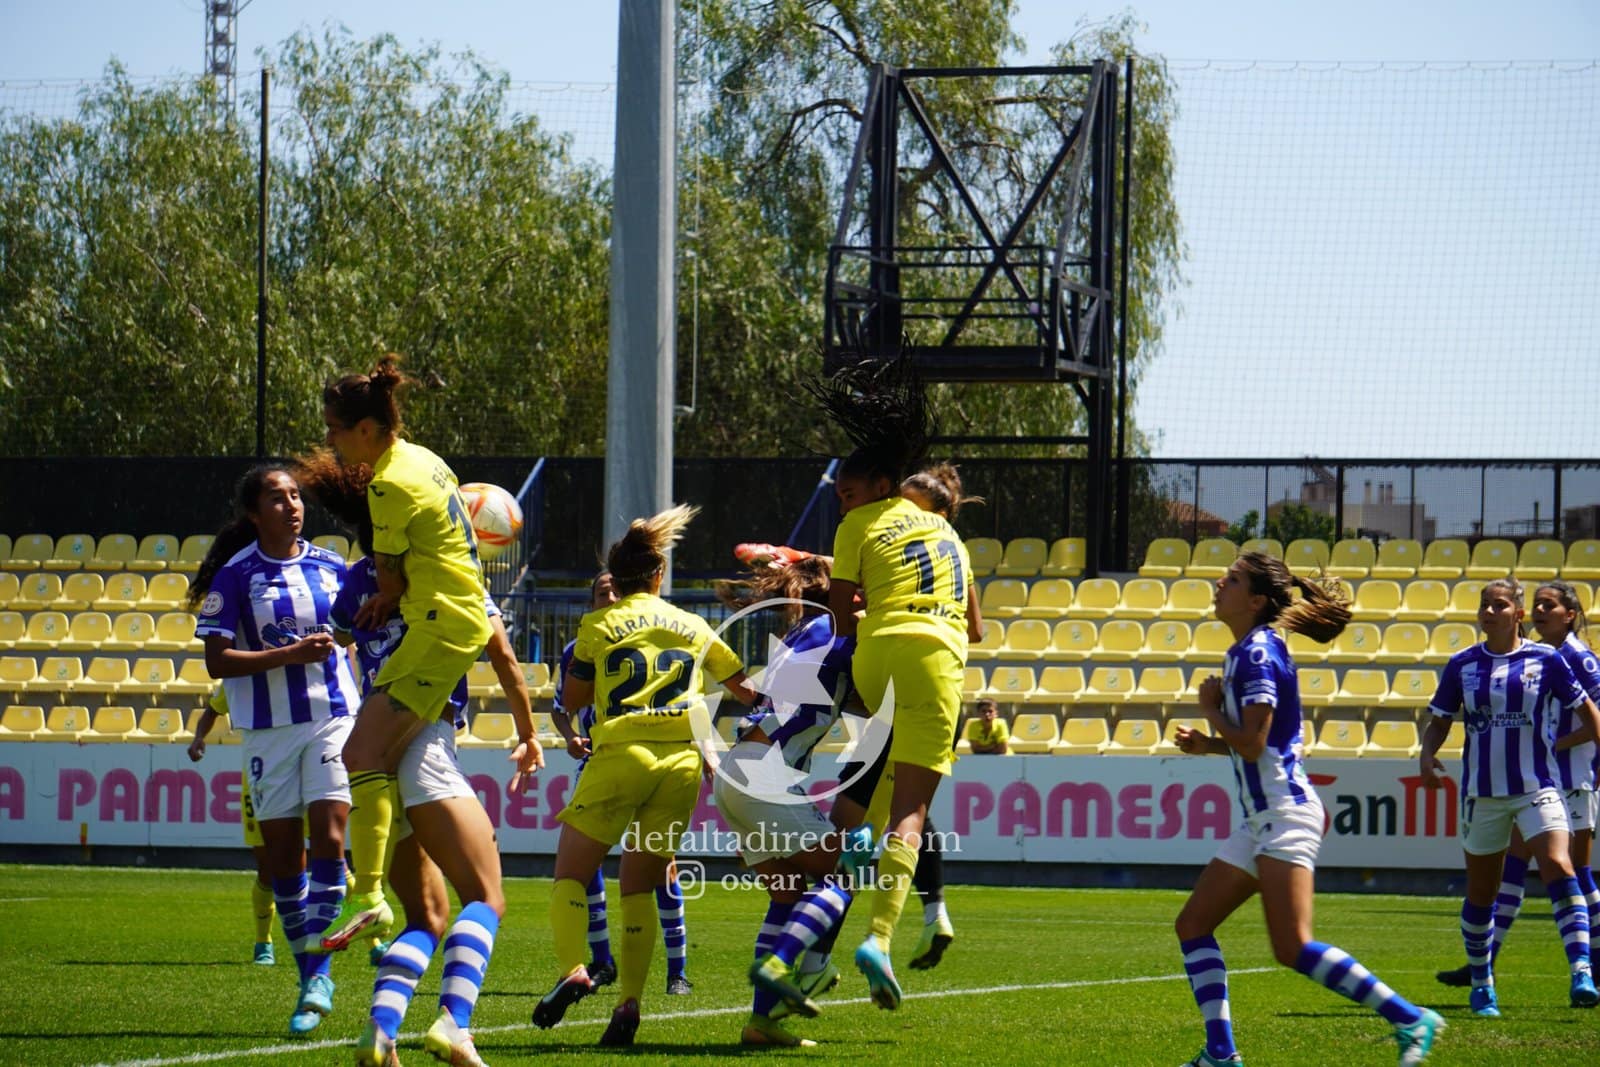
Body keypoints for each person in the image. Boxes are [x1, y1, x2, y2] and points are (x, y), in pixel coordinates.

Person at [291, 448, 543, 1067]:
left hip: (376, 749)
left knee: (426, 916)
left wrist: (383, 592)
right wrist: (530, 733)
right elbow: (506, 662)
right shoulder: (451, 578)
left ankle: (379, 1033)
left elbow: (348, 634)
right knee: (488, 896)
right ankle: (456, 1024)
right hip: (424, 740)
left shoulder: (354, 584)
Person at [1171, 552, 1444, 1067]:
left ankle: (1410, 1018)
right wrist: (1207, 744)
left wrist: (1209, 711)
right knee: (1193, 924)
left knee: (1293, 946)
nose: (1218, 583)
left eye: (1230, 579)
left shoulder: (1254, 653)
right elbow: (1257, 744)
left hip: (1283, 813)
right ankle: (1220, 1054)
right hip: (1264, 817)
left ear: (1255, 600)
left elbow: (1253, 743)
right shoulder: (1252, 648)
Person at [532, 504, 757, 1047]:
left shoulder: (599, 622)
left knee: (570, 874)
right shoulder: (694, 624)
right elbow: (745, 690)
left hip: (621, 756)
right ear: (659, 575)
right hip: (679, 765)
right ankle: (629, 1001)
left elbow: (574, 698)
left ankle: (572, 970)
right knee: (641, 887)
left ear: (620, 573)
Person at [808, 356, 975, 1008]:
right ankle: (882, 933)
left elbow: (841, 610)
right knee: (912, 807)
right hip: (935, 660)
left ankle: (811, 949)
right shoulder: (951, 539)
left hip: (875, 656)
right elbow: (974, 625)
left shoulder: (860, 524)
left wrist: (848, 659)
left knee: (869, 792)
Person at [319, 355, 495, 952]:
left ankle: (370, 895)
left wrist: (383, 601)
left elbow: (389, 582)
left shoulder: (388, 482)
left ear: (365, 429)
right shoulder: (423, 458)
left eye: (334, 430)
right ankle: (380, 894)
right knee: (381, 760)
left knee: (360, 751)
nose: (331, 442)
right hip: (452, 618)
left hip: (440, 627)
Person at [189, 464, 362, 1035]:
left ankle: (318, 974)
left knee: (331, 837)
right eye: (276, 498)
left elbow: (358, 628)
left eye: (295, 495)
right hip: (267, 730)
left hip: (333, 717)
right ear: (253, 514)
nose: (291, 505)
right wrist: (288, 656)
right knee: (284, 863)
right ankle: (312, 972)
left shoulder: (332, 566)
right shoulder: (236, 577)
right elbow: (216, 661)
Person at [1419, 577, 1599, 1016]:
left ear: (1516, 614)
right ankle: (1482, 983)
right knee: (1482, 893)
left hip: (1538, 788)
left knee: (1560, 864)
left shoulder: (1549, 660)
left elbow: (1590, 715)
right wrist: (1426, 754)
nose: (1490, 611)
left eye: (1499, 605)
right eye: (1485, 604)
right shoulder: (1462, 664)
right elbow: (1441, 719)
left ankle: (1581, 970)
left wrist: (1563, 750)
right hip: (1482, 795)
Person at [713, 554, 872, 1047]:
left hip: (736, 770)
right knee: (845, 870)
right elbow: (870, 699)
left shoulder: (801, 639)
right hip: (765, 775)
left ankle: (761, 1024)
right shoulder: (839, 635)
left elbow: (845, 699)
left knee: (787, 895)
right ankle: (782, 965)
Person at [551, 571, 698, 997]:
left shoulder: (653, 635)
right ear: (592, 599)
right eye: (601, 591)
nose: (610, 596)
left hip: (642, 757)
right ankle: (601, 963)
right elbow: (562, 706)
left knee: (660, 868)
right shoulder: (579, 647)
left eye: (616, 590)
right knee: (589, 867)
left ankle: (677, 970)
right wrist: (569, 735)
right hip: (604, 761)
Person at [188, 684, 277, 966]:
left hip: (305, 770)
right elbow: (213, 709)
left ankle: (374, 940)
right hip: (258, 778)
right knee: (268, 868)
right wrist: (198, 737)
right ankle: (264, 942)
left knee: (330, 853)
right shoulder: (243, 675)